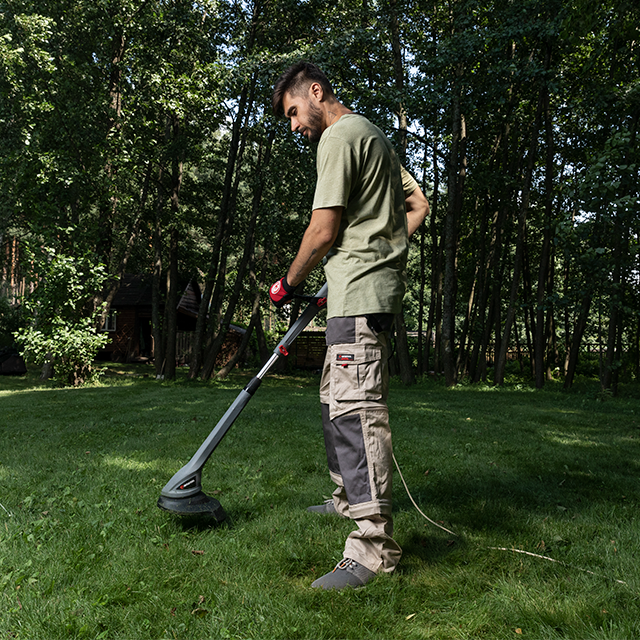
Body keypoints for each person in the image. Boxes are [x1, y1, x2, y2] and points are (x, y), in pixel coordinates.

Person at [269, 61, 429, 590]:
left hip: (359, 295)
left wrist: (289, 283)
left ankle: (372, 549)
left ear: (316, 92)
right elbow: (418, 203)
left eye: (294, 112)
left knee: (356, 415)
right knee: (336, 403)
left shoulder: (338, 136)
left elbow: (322, 229)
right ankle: (346, 499)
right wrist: (384, 247)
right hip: (360, 291)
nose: (295, 126)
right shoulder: (374, 136)